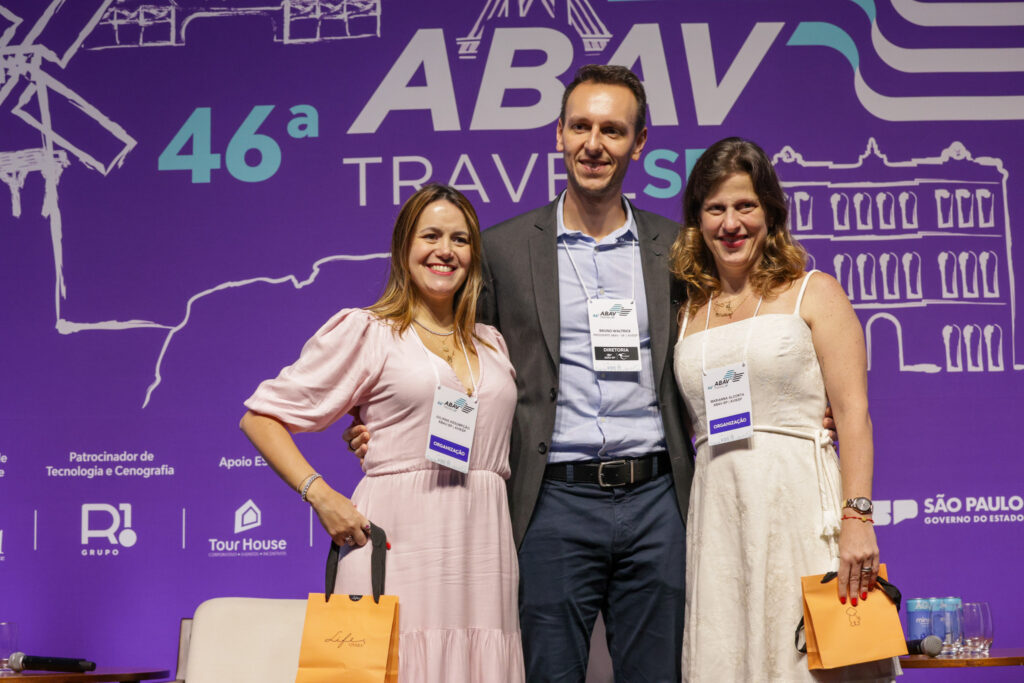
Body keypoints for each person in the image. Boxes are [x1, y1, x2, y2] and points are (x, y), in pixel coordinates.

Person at [239, 184, 524, 683]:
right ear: (402, 248)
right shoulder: (369, 332)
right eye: (430, 235)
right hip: (398, 548)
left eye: (459, 239)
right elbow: (260, 418)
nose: (445, 250)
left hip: (483, 555)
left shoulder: (492, 343)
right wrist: (321, 496)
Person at [671, 137, 897, 681]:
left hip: (799, 502)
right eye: (716, 208)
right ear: (697, 220)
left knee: (806, 662)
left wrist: (857, 519)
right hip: (719, 511)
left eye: (745, 206)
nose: (731, 223)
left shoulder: (814, 293)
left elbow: (854, 415)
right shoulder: (686, 310)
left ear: (770, 212)